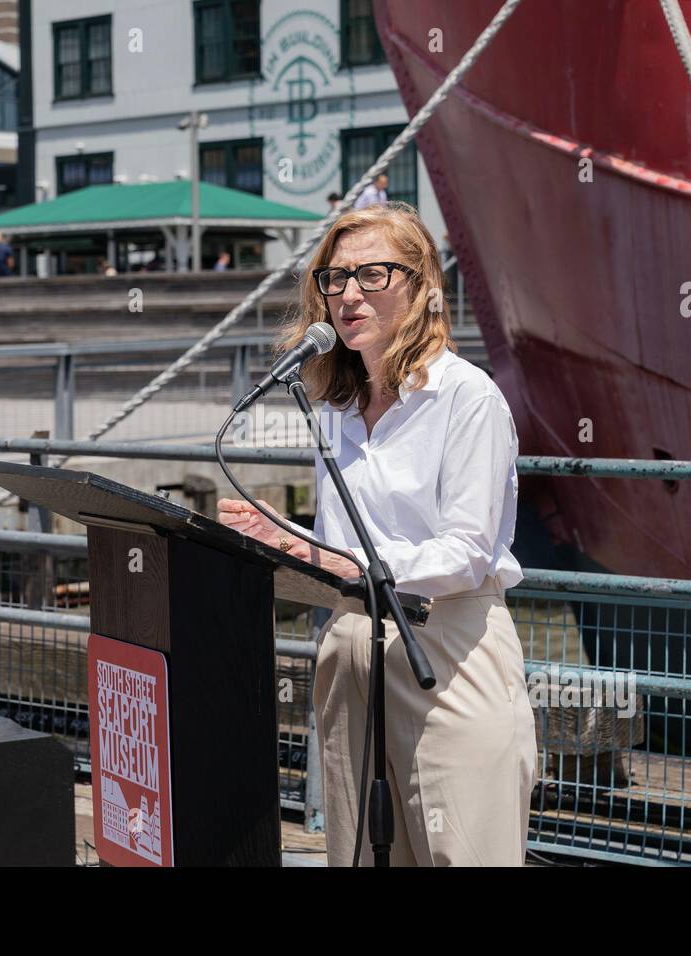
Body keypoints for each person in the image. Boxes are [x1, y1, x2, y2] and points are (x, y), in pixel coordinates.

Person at [216, 201, 535, 866]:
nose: (347, 295)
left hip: (445, 648)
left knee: (464, 852)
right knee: (359, 854)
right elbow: (340, 544)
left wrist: (323, 553)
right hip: (350, 643)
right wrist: (276, 536)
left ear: (423, 287)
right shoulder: (336, 406)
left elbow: (466, 553)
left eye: (373, 275)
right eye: (333, 280)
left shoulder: (466, 398)